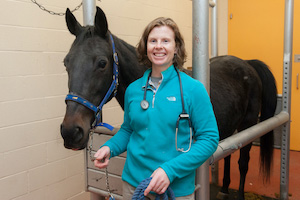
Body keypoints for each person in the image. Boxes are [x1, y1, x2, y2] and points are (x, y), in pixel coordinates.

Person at [94, 17, 219, 200]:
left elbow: (209, 139)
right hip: (133, 186)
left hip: (176, 190)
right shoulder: (133, 90)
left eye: (165, 41)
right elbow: (129, 129)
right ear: (146, 47)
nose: (158, 46)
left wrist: (169, 170)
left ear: (176, 48)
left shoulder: (193, 89)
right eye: (153, 41)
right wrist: (110, 147)